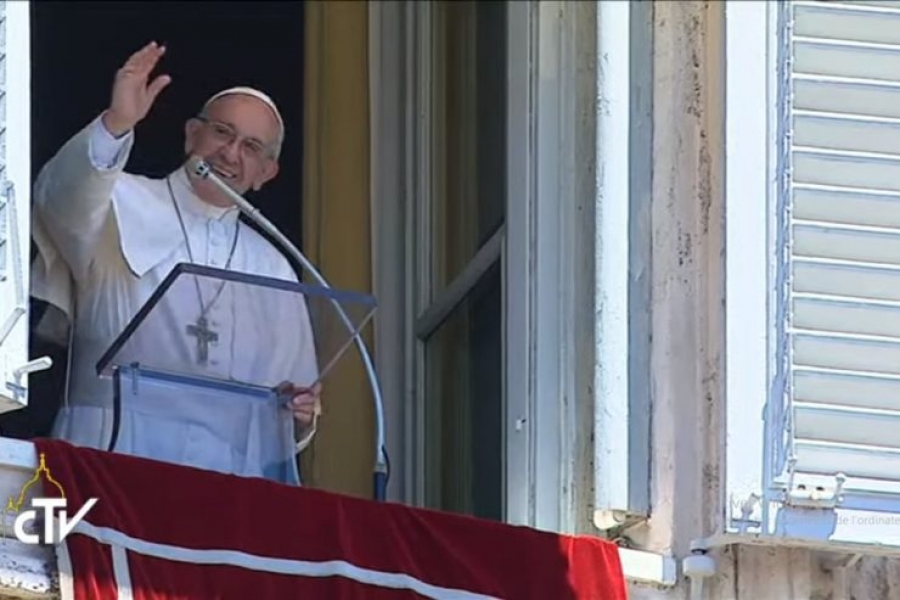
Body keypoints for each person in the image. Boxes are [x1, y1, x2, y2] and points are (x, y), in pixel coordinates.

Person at [29, 41, 321, 483]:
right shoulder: (117, 200)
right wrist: (117, 124)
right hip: (110, 449)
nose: (231, 154)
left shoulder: (275, 264)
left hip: (225, 473)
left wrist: (298, 417)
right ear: (191, 135)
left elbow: (291, 397)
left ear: (266, 173)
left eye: (251, 147)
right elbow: (59, 198)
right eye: (222, 132)